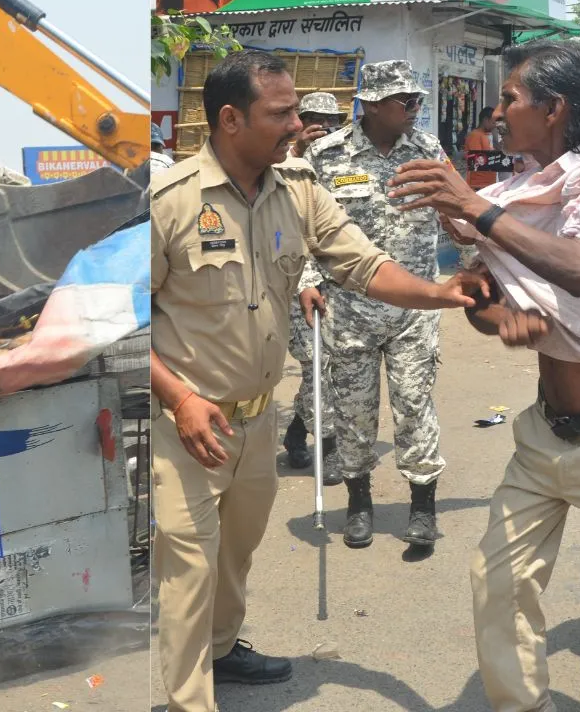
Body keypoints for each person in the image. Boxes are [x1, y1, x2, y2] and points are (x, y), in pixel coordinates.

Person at [150, 49, 486, 712]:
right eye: (281, 114)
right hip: (187, 423)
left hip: (255, 418)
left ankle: (222, 650)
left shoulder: (298, 188)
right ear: (229, 120)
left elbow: (363, 264)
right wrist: (180, 398)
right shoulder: (170, 201)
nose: (298, 125)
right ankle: (192, 700)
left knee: (236, 556)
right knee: (189, 571)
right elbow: (131, 327)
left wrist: (440, 294)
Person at [395, 39, 580, 710]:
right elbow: (489, 302)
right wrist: (493, 313)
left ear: (555, 110)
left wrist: (475, 206)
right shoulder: (521, 190)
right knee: (498, 580)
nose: (498, 109)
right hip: (546, 435)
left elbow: (579, 267)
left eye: (512, 98)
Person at [300, 59, 452, 550]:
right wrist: (307, 280)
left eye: (418, 101)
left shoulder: (428, 150)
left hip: (413, 311)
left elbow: (456, 211)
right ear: (369, 104)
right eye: (404, 101)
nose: (414, 109)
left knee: (414, 408)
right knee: (354, 413)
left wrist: (478, 265)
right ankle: (359, 504)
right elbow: (303, 225)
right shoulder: (326, 155)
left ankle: (422, 509)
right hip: (348, 311)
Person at [282, 91, 350, 474]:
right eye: (311, 121)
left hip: (339, 283)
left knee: (330, 367)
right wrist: (299, 150)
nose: (321, 129)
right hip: (298, 284)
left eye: (331, 122)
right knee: (316, 365)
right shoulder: (283, 165)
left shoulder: (343, 163)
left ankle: (296, 431)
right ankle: (328, 447)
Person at [289, 91, 347, 158]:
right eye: (317, 118)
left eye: (332, 119)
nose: (326, 125)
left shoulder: (349, 151)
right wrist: (298, 151)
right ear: (301, 123)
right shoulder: (282, 153)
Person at [464, 106, 499, 190]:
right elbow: (476, 161)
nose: (495, 126)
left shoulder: (485, 135)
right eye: (493, 123)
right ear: (486, 120)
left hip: (487, 183)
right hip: (478, 184)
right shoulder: (475, 135)